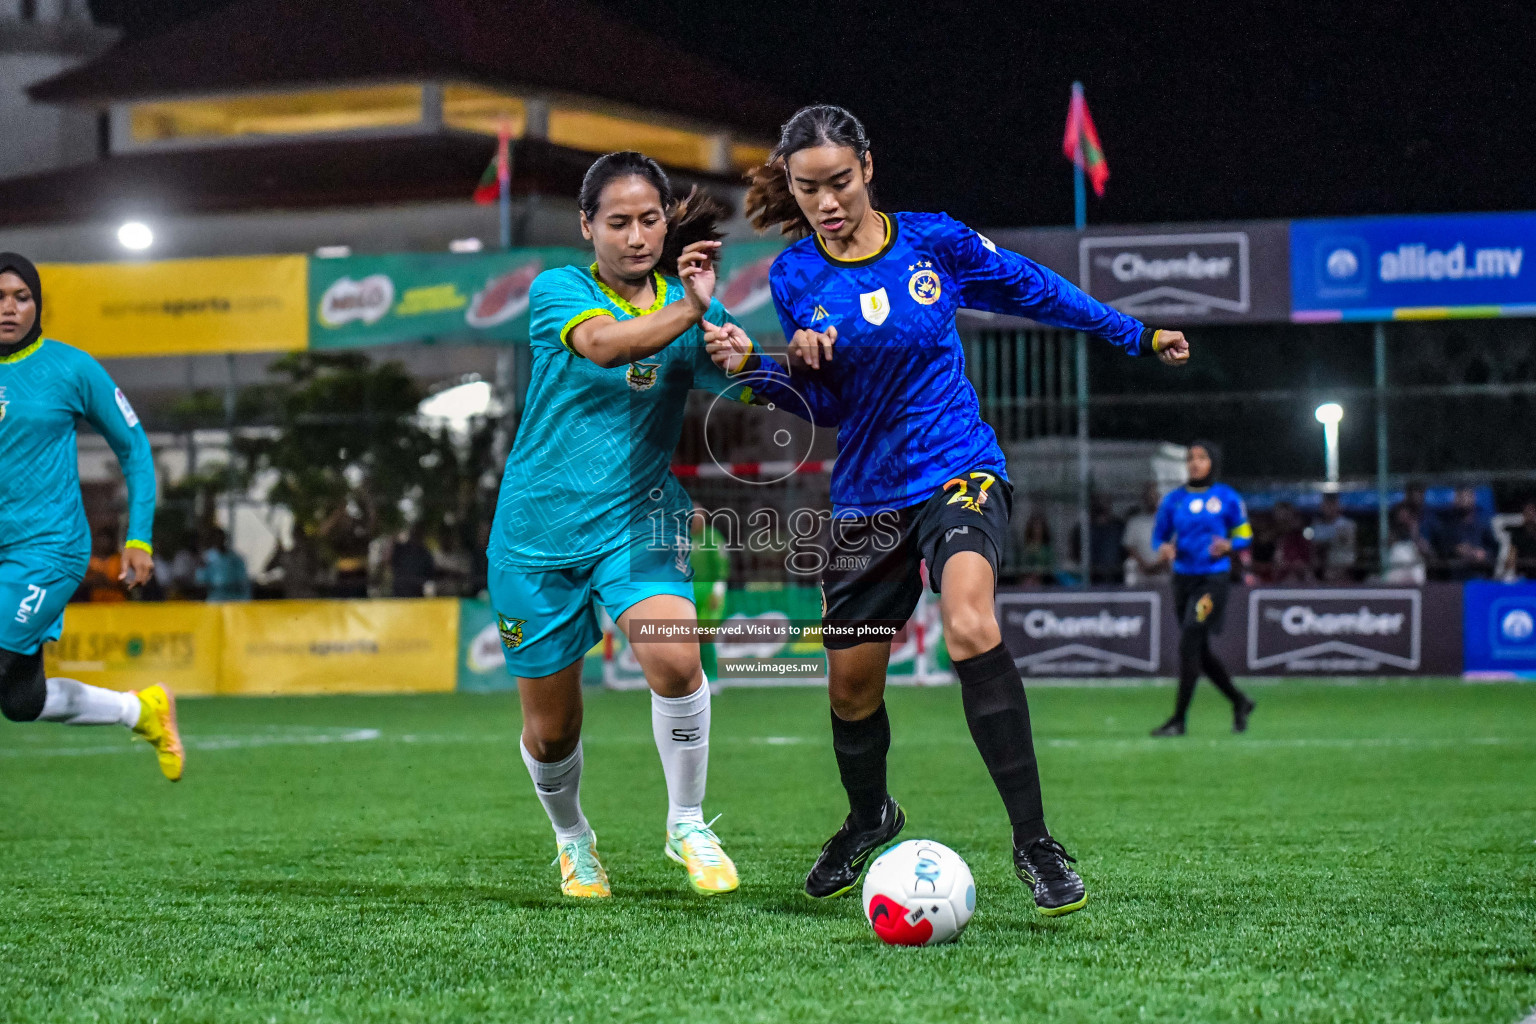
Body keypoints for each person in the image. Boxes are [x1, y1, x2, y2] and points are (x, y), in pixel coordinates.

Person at [708, 105, 1190, 915]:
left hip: (958, 469)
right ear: (791, 187)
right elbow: (825, 408)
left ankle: (1035, 845)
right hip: (867, 495)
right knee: (851, 692)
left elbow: (1037, 291)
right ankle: (871, 819)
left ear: (868, 166)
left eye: (839, 181)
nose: (827, 201)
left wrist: (1132, 332)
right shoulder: (795, 277)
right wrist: (769, 366)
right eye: (808, 188)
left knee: (971, 621)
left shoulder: (935, 241)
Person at [488, 151, 766, 899]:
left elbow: (752, 390)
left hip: (636, 520)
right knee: (552, 731)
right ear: (588, 227)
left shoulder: (691, 306)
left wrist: (744, 358)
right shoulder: (559, 290)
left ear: (666, 222)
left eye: (650, 220)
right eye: (618, 222)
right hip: (536, 535)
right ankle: (574, 840)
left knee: (675, 660)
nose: (637, 236)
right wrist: (695, 311)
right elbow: (609, 346)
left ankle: (687, 823)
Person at [0, 252, 183, 780]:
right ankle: (141, 711)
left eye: (22, 297)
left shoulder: (71, 367)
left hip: (49, 550)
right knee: (20, 700)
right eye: (0, 298)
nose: (10, 309)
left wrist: (140, 538)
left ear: (37, 304)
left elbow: (135, 450)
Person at [1149, 442, 1256, 738]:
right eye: (1191, 458)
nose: (1195, 463)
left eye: (1201, 458)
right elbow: (1158, 537)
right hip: (1183, 580)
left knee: (1189, 642)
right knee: (1198, 649)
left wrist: (1231, 545)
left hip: (1212, 581)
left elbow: (1245, 533)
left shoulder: (1226, 497)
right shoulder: (1173, 500)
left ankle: (1179, 719)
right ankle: (1240, 701)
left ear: (1213, 463)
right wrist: (1164, 549)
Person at [688, 506, 730, 681]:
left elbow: (721, 566)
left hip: (709, 592)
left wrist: (718, 591)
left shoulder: (712, 537)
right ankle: (692, 679)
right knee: (688, 637)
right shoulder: (679, 538)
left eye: (699, 516)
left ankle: (712, 677)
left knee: (706, 635)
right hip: (686, 591)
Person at [1430, 486, 1497, 580]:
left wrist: (1483, 554)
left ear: (1473, 497)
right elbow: (1440, 548)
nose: (1462, 499)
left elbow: (1494, 549)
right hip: (1454, 577)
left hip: (1479, 575)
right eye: (1459, 496)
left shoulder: (1483, 523)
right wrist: (1455, 549)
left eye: (1466, 495)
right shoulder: (1447, 524)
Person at [1123, 483, 1166, 586]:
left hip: (1163, 567)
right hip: (1141, 568)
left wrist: (1159, 564)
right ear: (1144, 500)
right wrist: (1144, 565)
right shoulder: (1135, 521)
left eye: (1154, 497)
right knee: (1129, 564)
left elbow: (1173, 545)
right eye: (1148, 497)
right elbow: (1129, 547)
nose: (1151, 500)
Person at [1310, 492, 1358, 582]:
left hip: (1343, 565)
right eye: (1326, 505)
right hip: (1323, 568)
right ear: (1322, 506)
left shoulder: (1347, 524)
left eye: (1332, 504)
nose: (1329, 508)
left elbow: (1343, 542)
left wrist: (1326, 542)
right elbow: (1315, 546)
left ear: (1338, 506)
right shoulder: (1317, 525)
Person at [197, 527, 251, 602]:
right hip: (215, 598)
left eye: (221, 538)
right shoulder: (206, 558)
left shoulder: (236, 558)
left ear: (225, 539)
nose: (218, 541)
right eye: (215, 538)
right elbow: (201, 580)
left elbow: (243, 580)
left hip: (234, 598)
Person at [389, 524, 437, 598]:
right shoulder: (400, 549)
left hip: (419, 590)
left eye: (419, 534)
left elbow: (431, 574)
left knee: (429, 587)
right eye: (415, 534)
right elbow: (391, 562)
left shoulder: (425, 553)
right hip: (401, 588)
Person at [1504, 500, 1536, 580]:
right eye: (1527, 512)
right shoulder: (1517, 534)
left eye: (1532, 512)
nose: (1530, 515)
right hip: (1522, 574)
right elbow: (1510, 559)